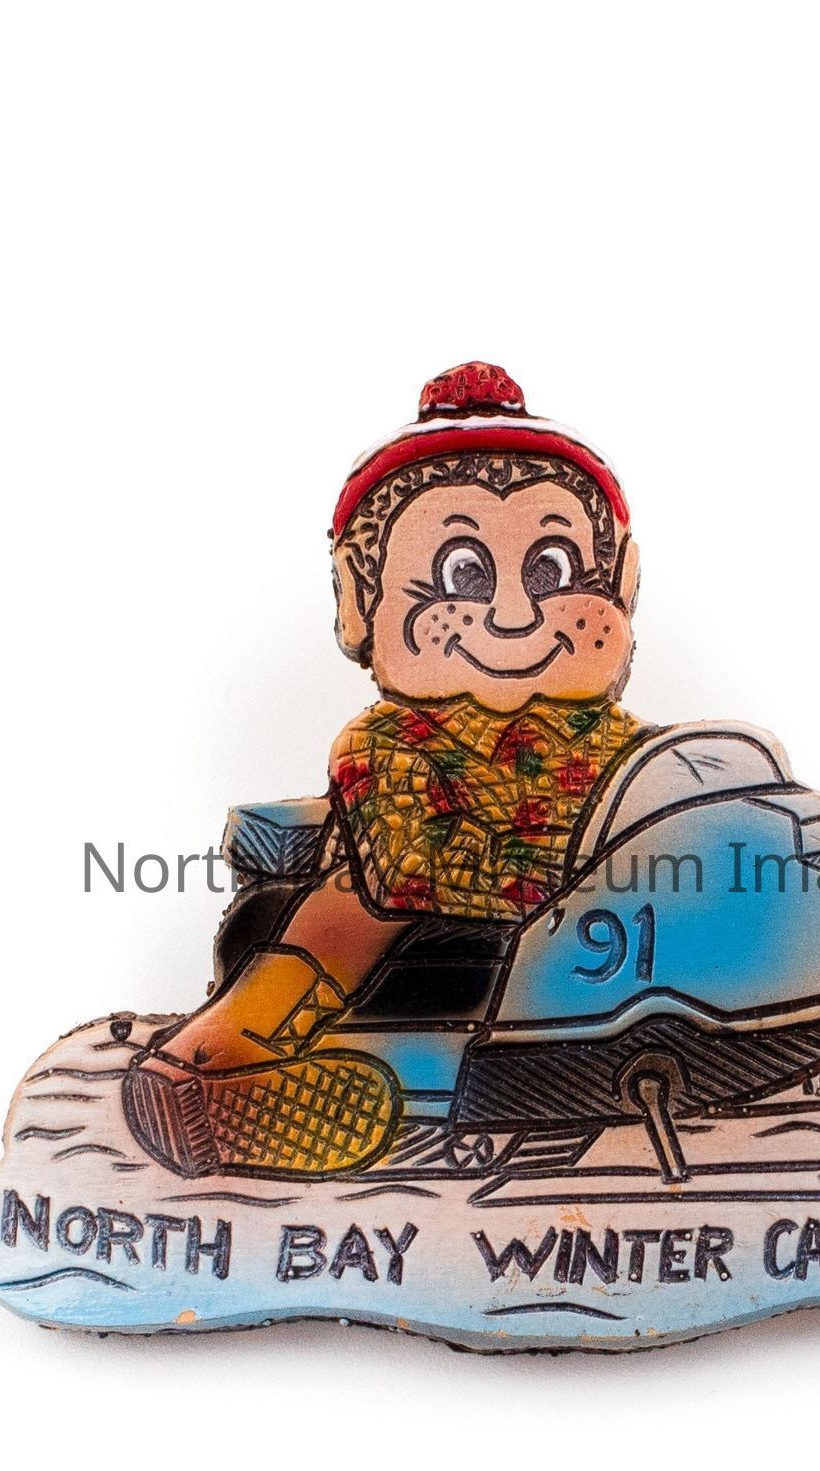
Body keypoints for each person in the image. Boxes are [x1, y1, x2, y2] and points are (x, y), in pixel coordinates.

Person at [125, 363, 653, 1175]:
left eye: (550, 570)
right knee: (348, 907)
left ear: (621, 584)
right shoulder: (387, 743)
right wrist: (570, 875)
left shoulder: (616, 737)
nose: (514, 612)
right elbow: (413, 866)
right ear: (356, 602)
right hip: (438, 908)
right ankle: (217, 1070)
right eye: (462, 575)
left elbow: (670, 795)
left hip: (607, 936)